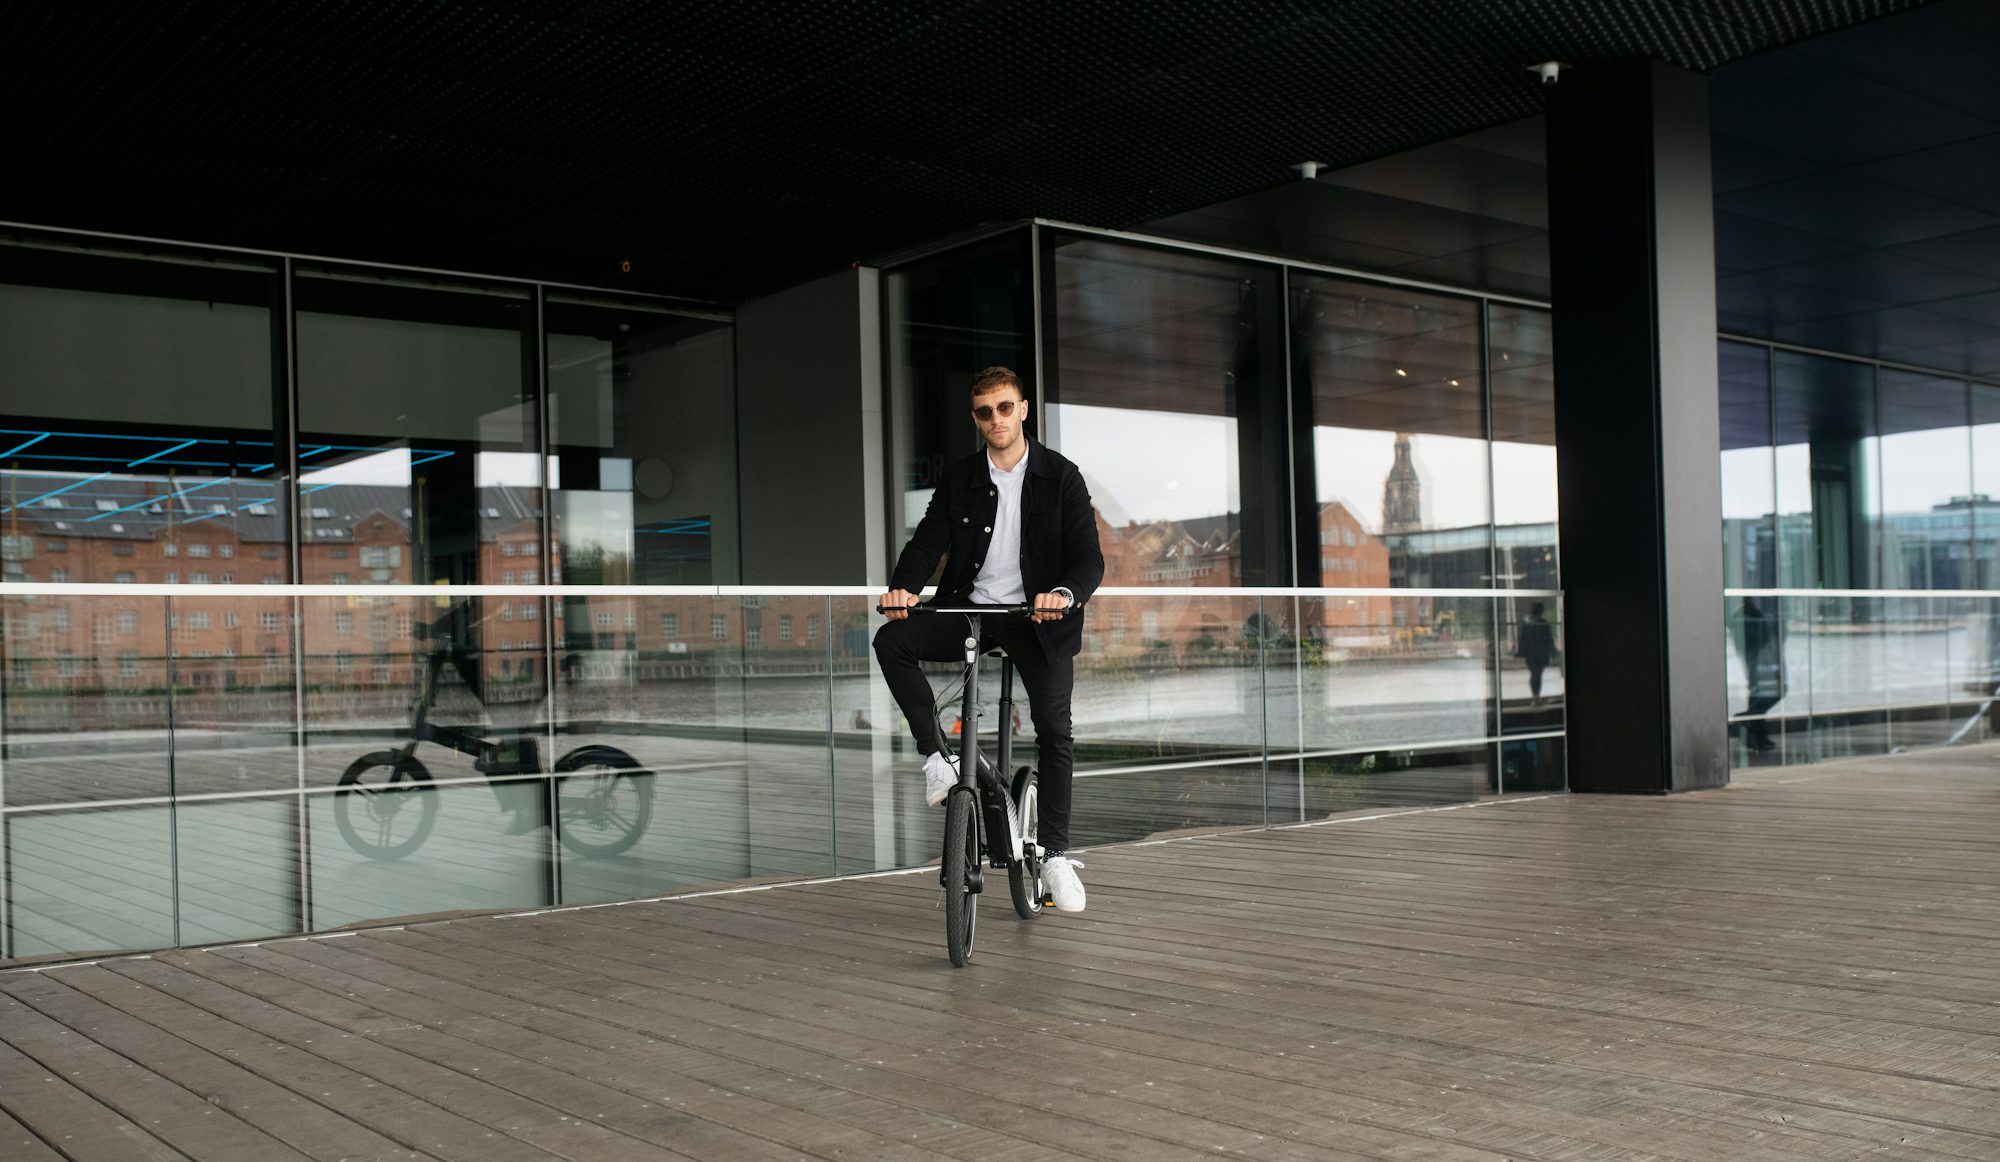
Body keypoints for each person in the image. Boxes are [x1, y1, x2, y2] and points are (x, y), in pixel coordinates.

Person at [875, 366, 1104, 912]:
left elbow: (1088, 558)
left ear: (1022, 409)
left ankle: (1053, 854)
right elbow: (926, 543)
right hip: (970, 611)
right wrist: (904, 588)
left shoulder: (1061, 476)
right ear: (975, 418)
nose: (996, 418)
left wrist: (1064, 594)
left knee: (1055, 731)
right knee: (891, 640)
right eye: (985, 411)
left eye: (1005, 407)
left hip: (1038, 619)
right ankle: (938, 756)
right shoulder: (961, 478)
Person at [1516, 601, 1556, 706]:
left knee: (1534, 674)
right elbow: (1549, 640)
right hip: (1541, 654)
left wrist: (1521, 653)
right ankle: (1536, 697)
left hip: (1531, 654)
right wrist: (1553, 653)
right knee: (1537, 675)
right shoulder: (1543, 623)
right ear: (1541, 611)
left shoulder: (1526, 623)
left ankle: (1535, 697)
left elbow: (1522, 640)